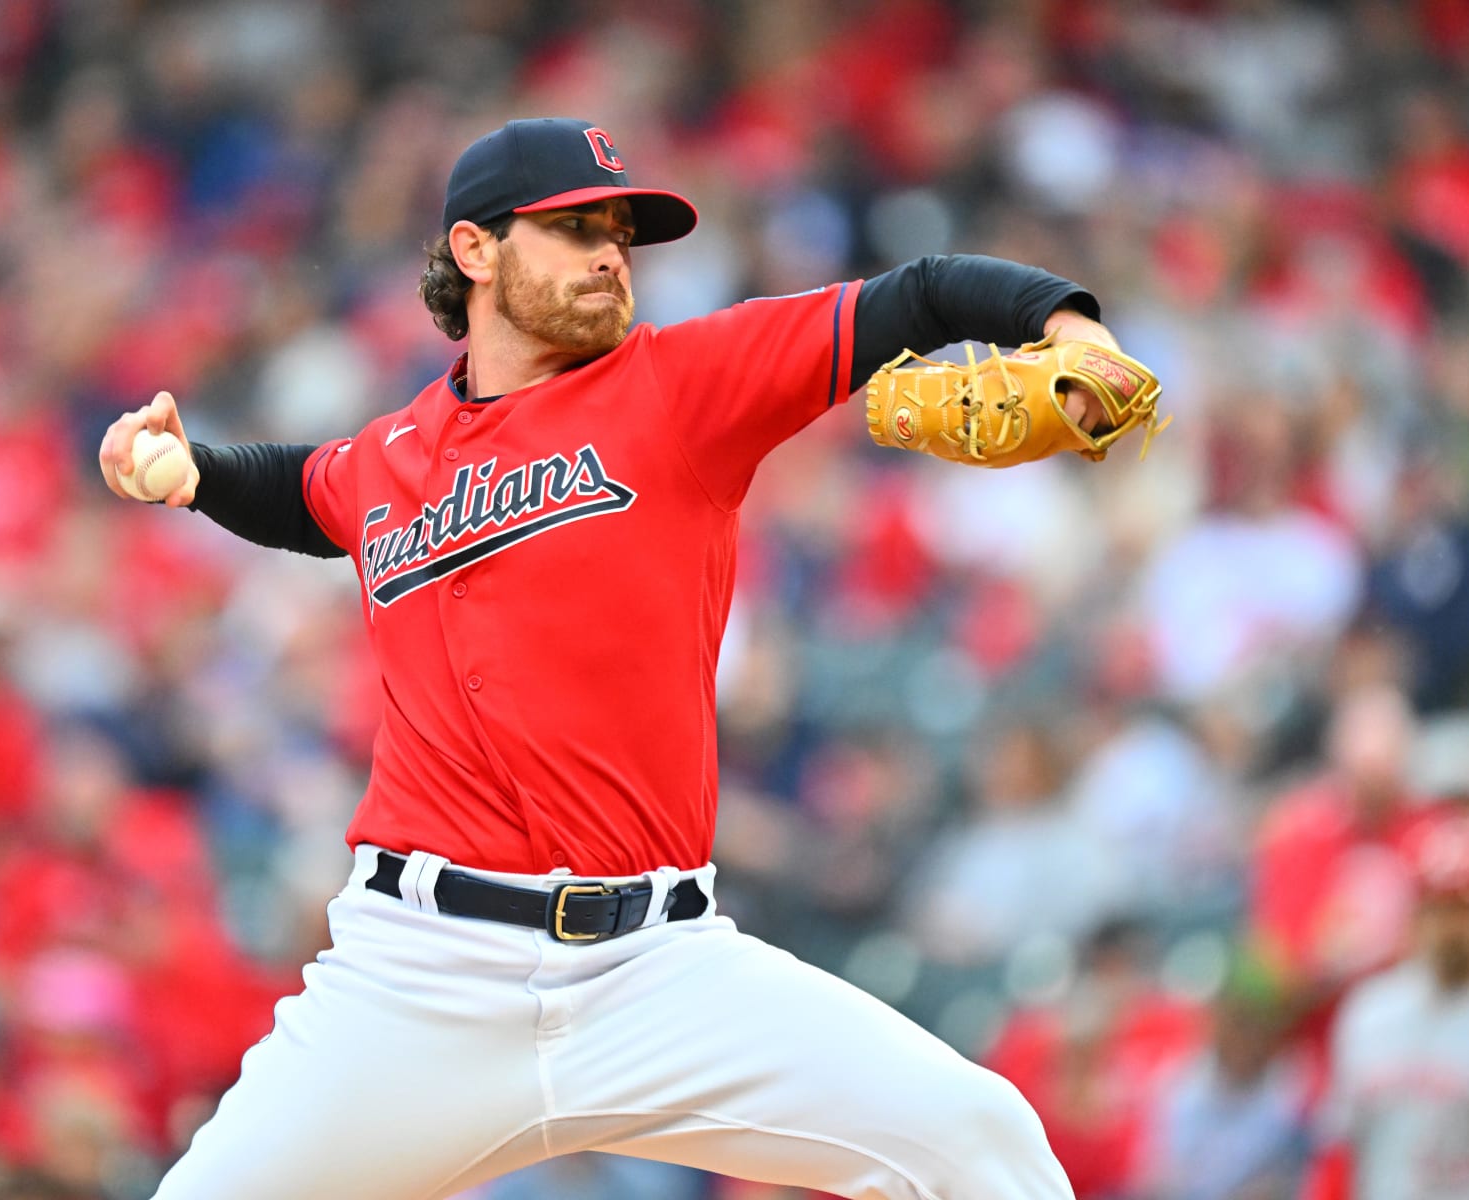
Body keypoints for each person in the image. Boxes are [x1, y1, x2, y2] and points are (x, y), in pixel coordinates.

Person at [98, 118, 1129, 1200]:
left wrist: (1065, 323)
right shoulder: (392, 457)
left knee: (980, 1140)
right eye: (573, 227)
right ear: (475, 251)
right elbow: (303, 491)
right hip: (414, 981)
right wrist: (191, 472)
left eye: (620, 235)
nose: (608, 253)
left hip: (654, 969)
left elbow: (914, 295)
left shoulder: (682, 386)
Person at [1314, 816, 1469, 1200]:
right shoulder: (1369, 1011)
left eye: (1463, 908)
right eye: (1437, 907)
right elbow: (1340, 1146)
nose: (1451, 927)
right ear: (1416, 913)